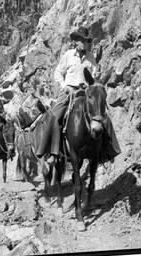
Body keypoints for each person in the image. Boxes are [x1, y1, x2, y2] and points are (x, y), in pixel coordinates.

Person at [36, 26, 98, 164]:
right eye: (80, 40)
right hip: (69, 91)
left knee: (101, 114)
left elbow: (94, 75)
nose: (83, 43)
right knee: (54, 116)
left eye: (85, 41)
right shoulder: (68, 55)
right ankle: (51, 151)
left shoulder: (91, 57)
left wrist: (89, 85)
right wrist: (65, 87)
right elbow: (57, 73)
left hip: (85, 91)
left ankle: (106, 149)